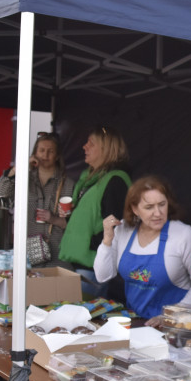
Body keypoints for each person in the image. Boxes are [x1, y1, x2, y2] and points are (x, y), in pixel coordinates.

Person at [94, 175, 191, 318]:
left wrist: (171, 315)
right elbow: (103, 276)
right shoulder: (123, 229)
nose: (158, 213)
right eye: (149, 207)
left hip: (175, 324)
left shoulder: (184, 235)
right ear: (135, 209)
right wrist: (107, 240)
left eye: (162, 204)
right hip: (135, 319)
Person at [58, 127, 131, 297]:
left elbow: (117, 223)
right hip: (80, 262)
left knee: (84, 318)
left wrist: (93, 243)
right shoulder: (90, 179)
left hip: (93, 266)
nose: (84, 147)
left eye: (91, 143)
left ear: (106, 149)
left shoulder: (115, 180)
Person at [0, 133, 75, 267]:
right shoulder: (24, 178)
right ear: (34, 153)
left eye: (50, 151)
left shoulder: (68, 184)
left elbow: (75, 225)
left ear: (57, 156)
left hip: (58, 255)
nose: (45, 155)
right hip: (27, 255)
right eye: (41, 150)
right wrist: (19, 168)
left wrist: (54, 219)